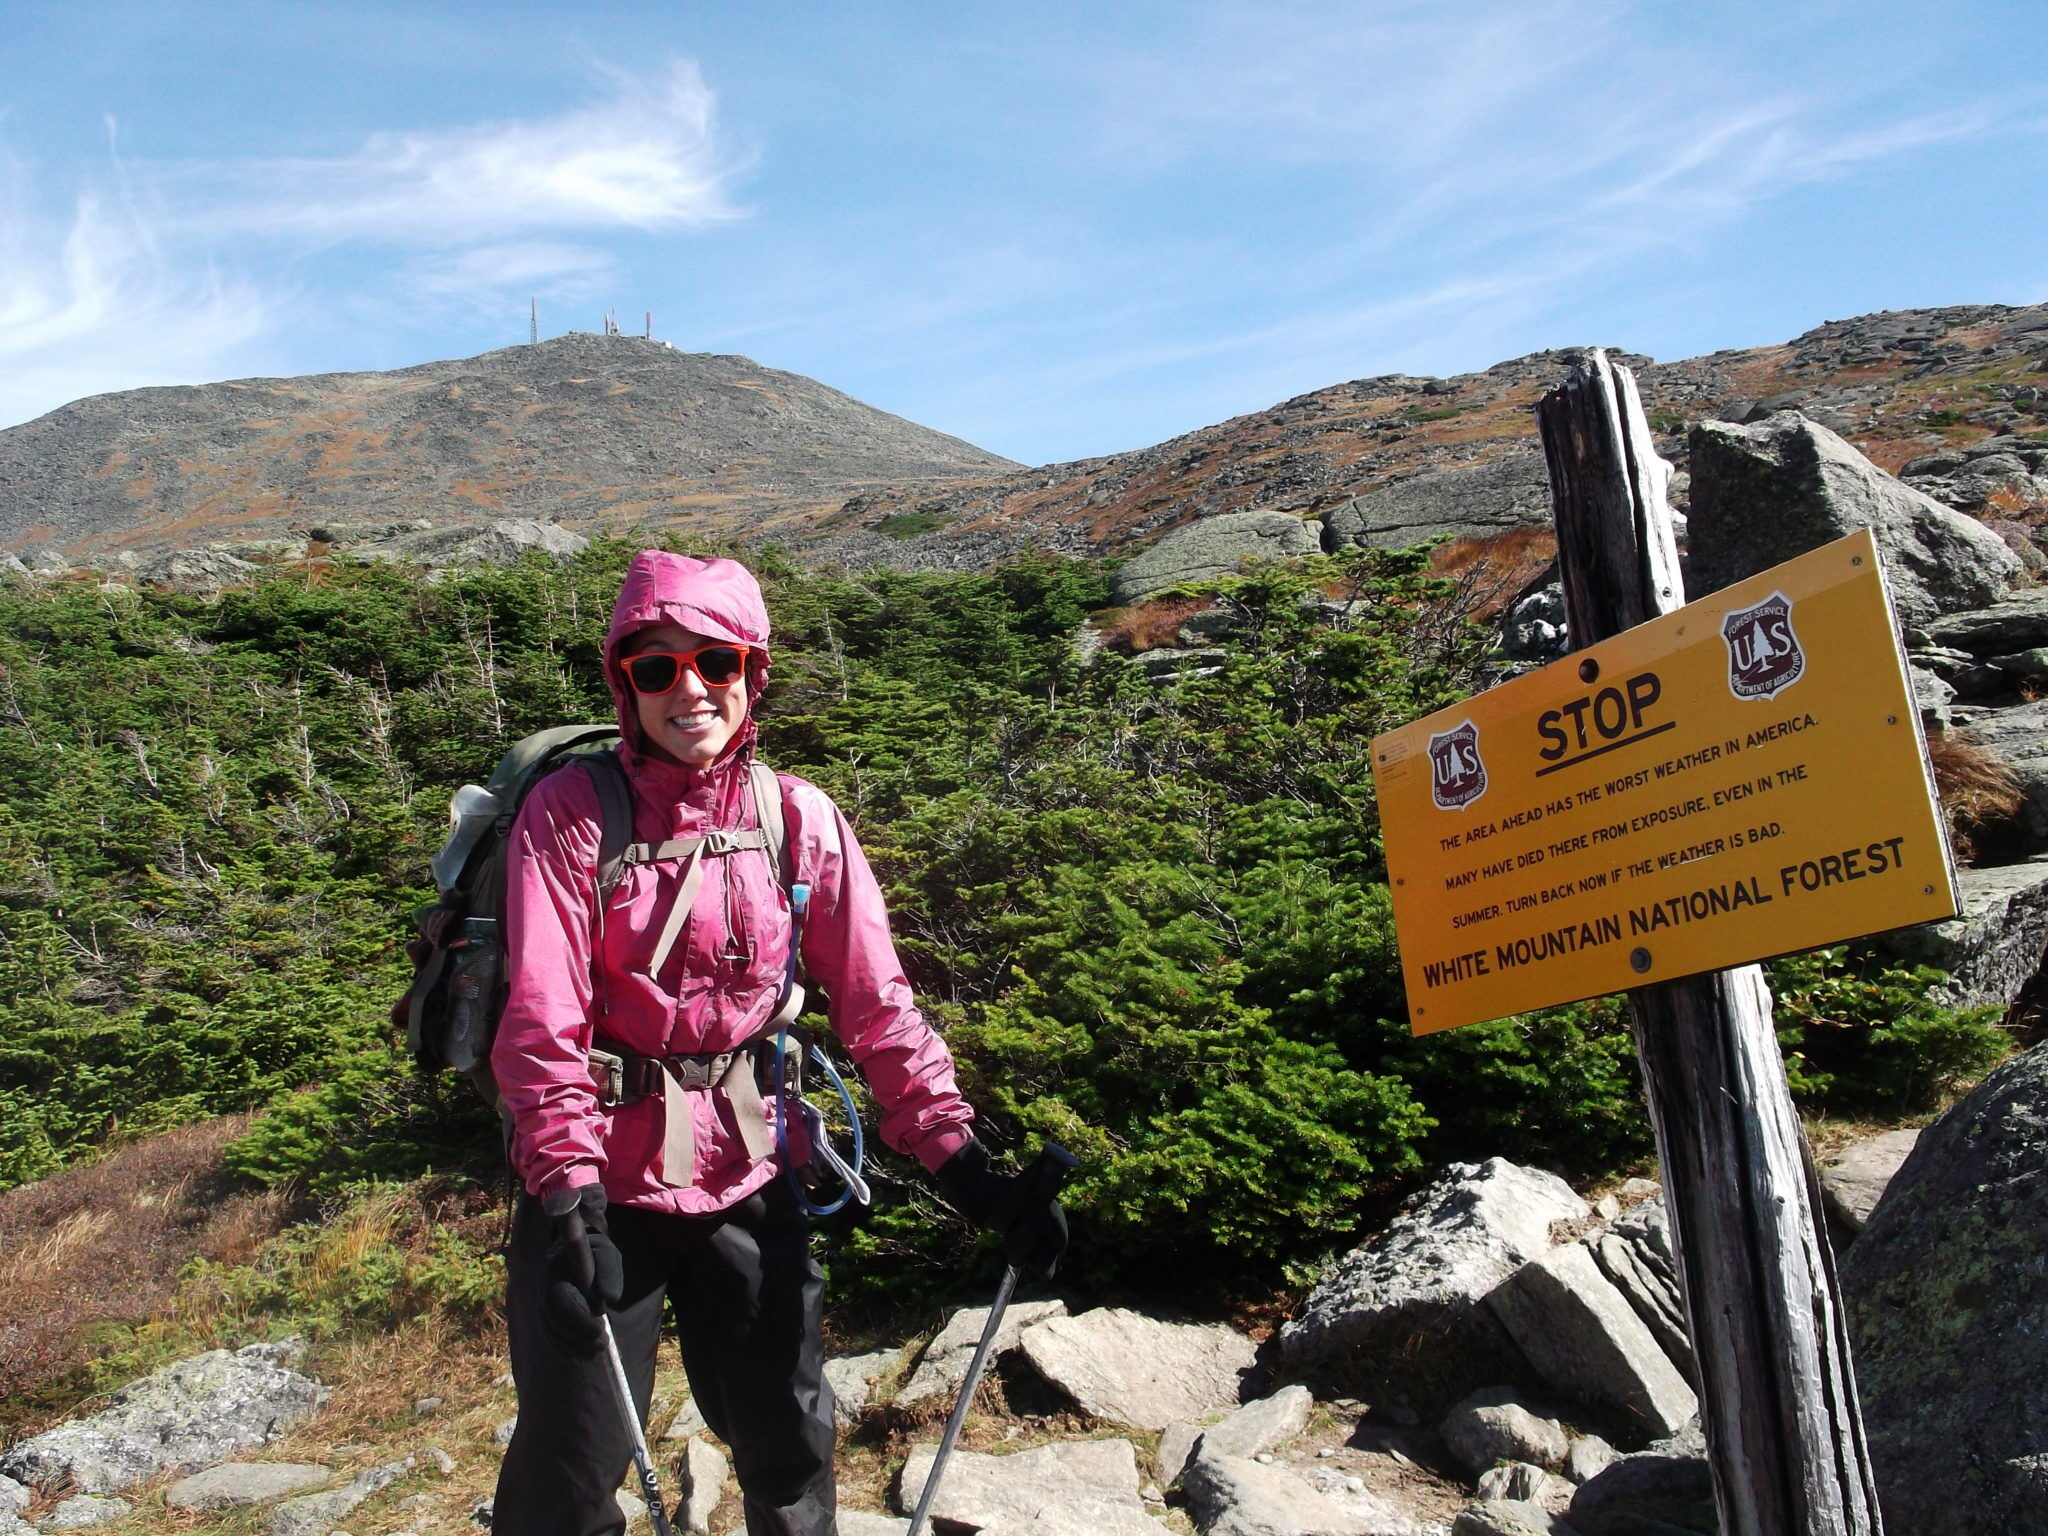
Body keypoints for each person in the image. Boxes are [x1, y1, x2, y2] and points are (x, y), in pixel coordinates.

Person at [488, 550, 1066, 1536]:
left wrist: (966, 1169)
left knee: (791, 1446)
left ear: (753, 673)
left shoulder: (796, 818)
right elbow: (542, 1020)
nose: (689, 689)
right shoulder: (569, 815)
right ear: (620, 682)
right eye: (655, 666)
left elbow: (878, 1004)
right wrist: (567, 1195)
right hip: (596, 1192)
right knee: (569, 1474)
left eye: (715, 661)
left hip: (753, 1174)